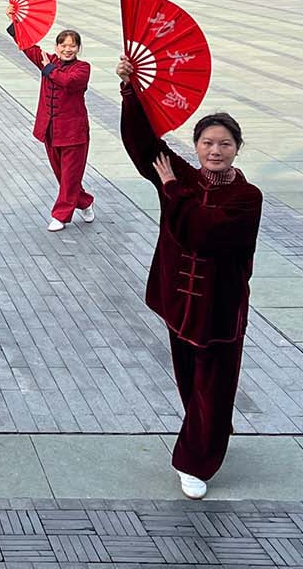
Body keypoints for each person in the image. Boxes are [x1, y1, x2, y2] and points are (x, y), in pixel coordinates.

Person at [116, 57, 263, 501]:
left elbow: (205, 232)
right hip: (179, 303)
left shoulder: (246, 197)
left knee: (214, 385)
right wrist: (129, 90)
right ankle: (208, 429)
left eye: (224, 144)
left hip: (219, 308)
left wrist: (173, 190)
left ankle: (197, 459)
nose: (214, 151)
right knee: (189, 382)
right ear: (196, 145)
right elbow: (145, 146)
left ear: (238, 148)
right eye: (206, 143)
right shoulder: (181, 174)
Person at [10, 25, 95, 232]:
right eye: (63, 45)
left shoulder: (82, 68)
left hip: (74, 133)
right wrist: (16, 21)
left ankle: (60, 216)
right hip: (50, 130)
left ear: (78, 48)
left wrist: (48, 68)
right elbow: (28, 47)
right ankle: (84, 201)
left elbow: (68, 81)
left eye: (72, 46)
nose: (68, 49)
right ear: (56, 47)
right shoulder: (49, 60)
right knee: (62, 175)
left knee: (69, 177)